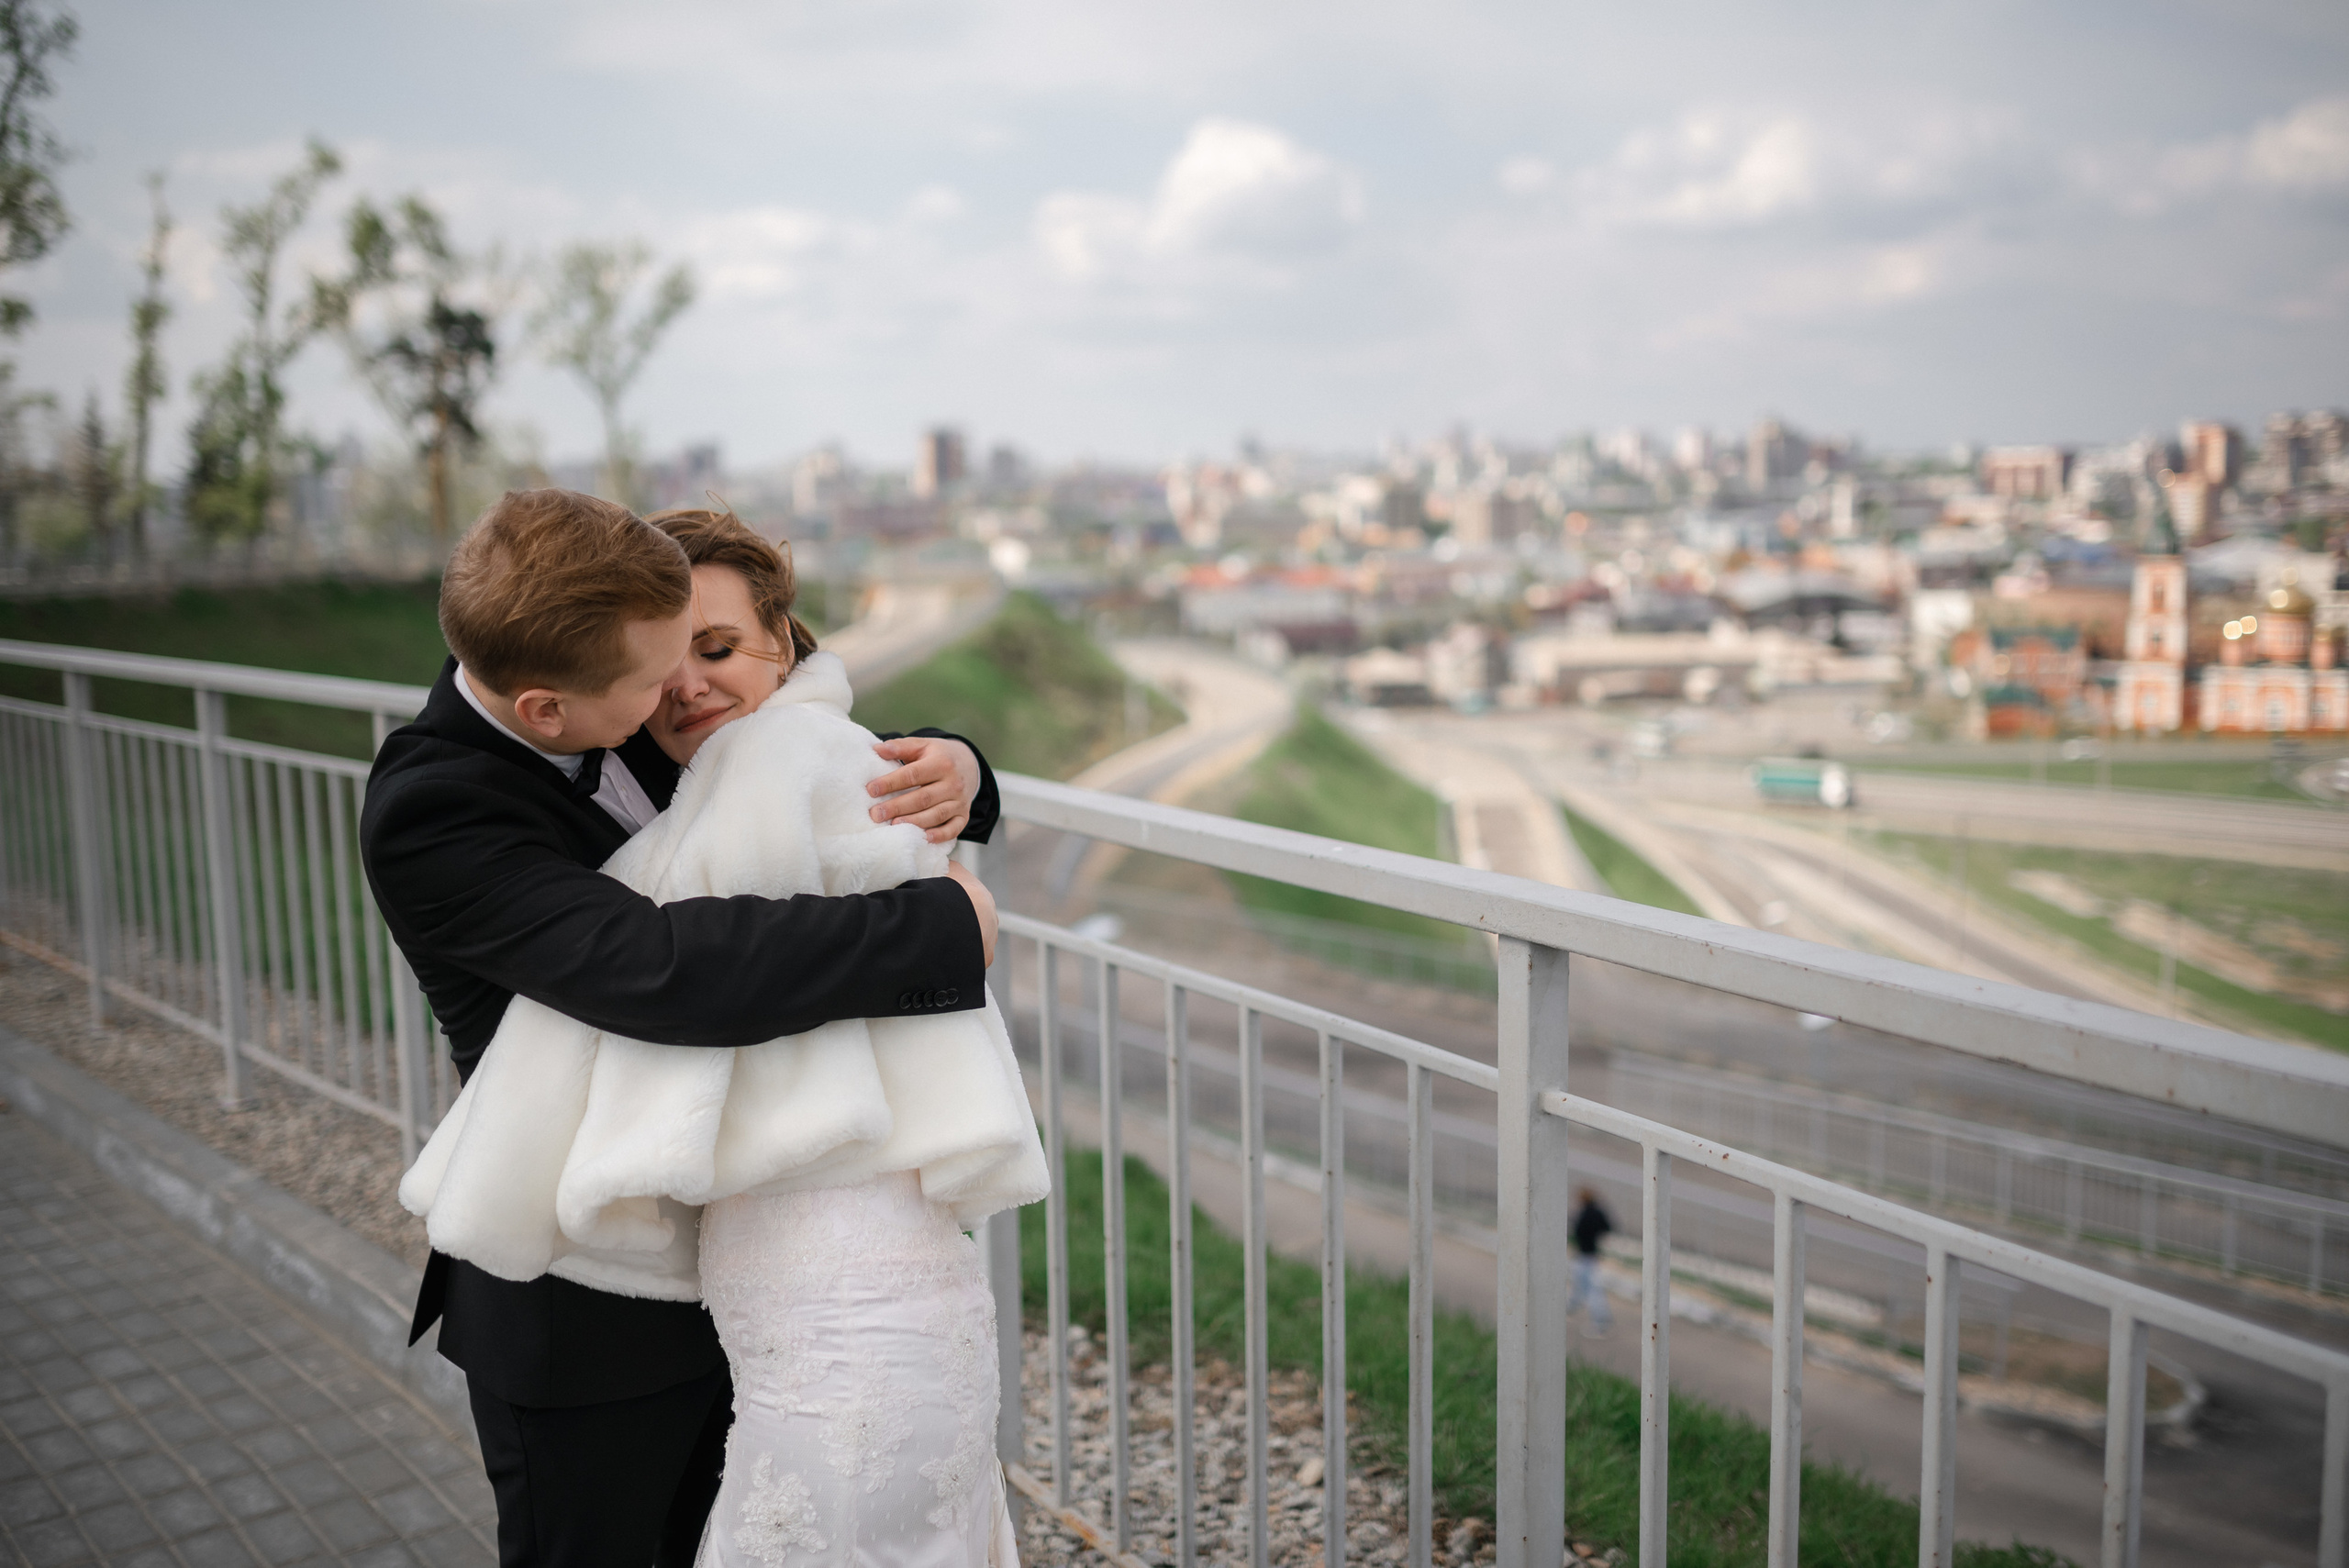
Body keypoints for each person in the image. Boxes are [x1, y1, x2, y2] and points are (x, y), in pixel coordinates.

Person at [361, 490, 1002, 1568]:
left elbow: (797, 735)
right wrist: (938, 927)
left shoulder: (619, 679)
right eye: (655, 675)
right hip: (583, 1305)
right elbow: (657, 966)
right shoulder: (435, 810)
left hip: (754, 1269)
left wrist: (963, 769)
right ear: (547, 707)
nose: (680, 691)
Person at [1568, 1187, 1614, 1337]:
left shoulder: (1584, 1214)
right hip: (1591, 1255)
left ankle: (1600, 1321)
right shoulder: (1597, 1212)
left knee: (1591, 1289)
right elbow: (1608, 1227)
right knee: (1582, 1286)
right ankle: (1570, 1307)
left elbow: (1577, 1232)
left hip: (1584, 1255)